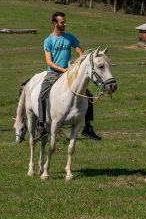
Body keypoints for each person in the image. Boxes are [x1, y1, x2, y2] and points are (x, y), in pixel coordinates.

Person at [36, 11, 101, 141]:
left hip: (69, 73)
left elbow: (80, 52)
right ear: (55, 24)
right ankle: (42, 127)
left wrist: (81, 62)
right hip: (53, 73)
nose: (65, 24)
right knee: (42, 96)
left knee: (87, 94)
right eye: (62, 22)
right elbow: (49, 62)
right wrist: (63, 70)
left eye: (65, 21)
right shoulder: (48, 40)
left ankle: (88, 127)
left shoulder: (70, 37)